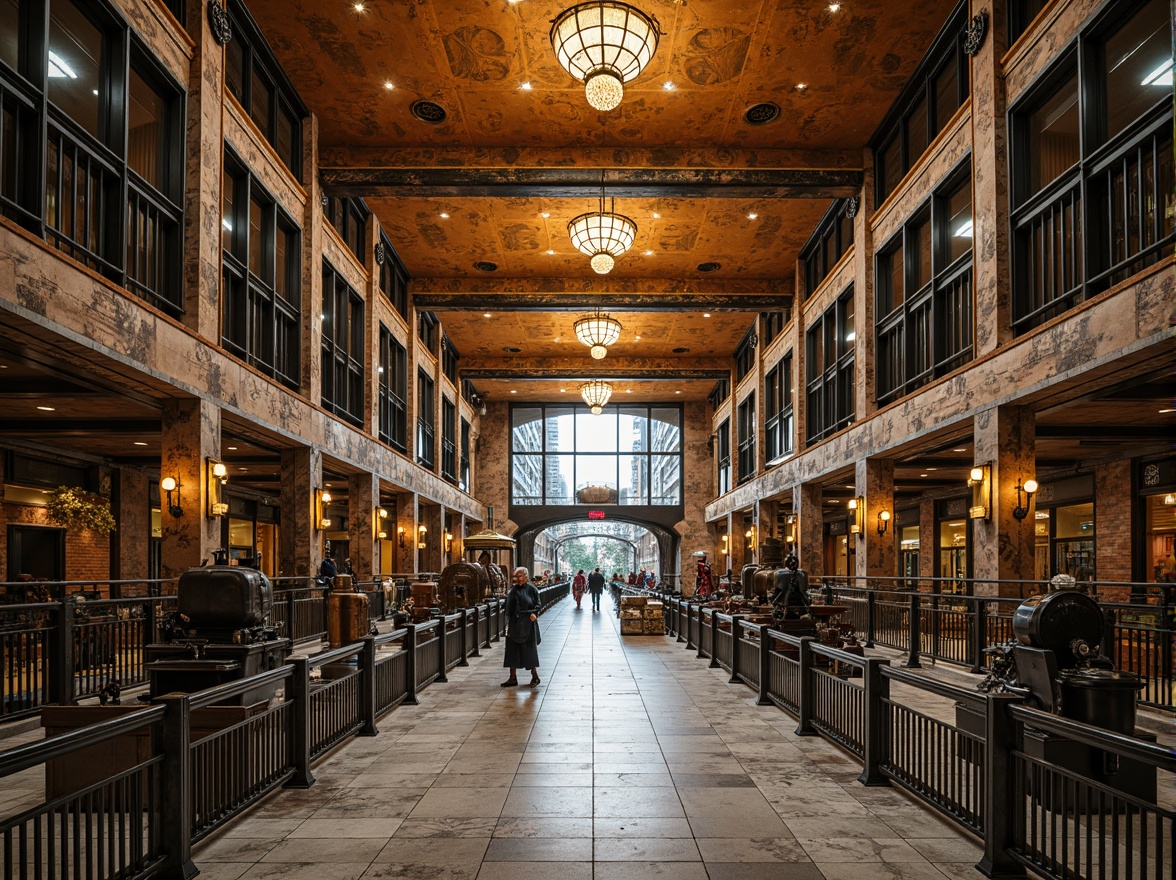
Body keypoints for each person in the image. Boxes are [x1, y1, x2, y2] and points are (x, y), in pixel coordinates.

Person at [502, 567, 541, 688]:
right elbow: (510, 608)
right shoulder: (513, 590)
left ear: (526, 576)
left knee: (529, 651)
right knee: (512, 651)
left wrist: (534, 613)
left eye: (520, 576)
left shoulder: (532, 590)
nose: (517, 579)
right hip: (515, 624)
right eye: (516, 576)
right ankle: (512, 677)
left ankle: (535, 676)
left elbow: (538, 604)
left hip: (528, 623)